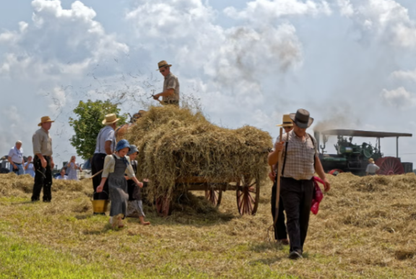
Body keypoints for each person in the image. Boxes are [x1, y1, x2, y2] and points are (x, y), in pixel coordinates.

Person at [269, 109, 330, 260]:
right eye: (299, 125)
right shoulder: (284, 139)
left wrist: (324, 178)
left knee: (304, 218)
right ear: (294, 123)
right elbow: (270, 161)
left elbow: (316, 161)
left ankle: (299, 247)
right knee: (293, 216)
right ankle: (295, 249)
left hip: (308, 183)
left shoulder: (311, 140)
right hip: (289, 183)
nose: (301, 128)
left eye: (304, 126)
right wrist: (277, 151)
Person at [96, 140, 145, 229]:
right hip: (113, 182)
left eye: (126, 152)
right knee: (120, 197)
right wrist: (101, 185)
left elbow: (131, 172)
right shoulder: (110, 158)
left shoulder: (126, 159)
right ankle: (117, 220)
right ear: (118, 149)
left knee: (123, 200)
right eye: (123, 152)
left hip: (122, 182)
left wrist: (137, 182)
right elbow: (105, 172)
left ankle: (115, 220)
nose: (124, 154)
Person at [268, 114, 293, 245]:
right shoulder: (280, 138)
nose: (287, 130)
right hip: (280, 177)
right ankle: (281, 237)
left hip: (294, 178)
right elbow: (273, 157)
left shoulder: (301, 140)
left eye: (289, 127)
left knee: (292, 210)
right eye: (285, 127)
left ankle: (294, 236)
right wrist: (272, 170)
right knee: (276, 207)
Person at [91, 113, 120, 205]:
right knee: (104, 183)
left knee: (97, 184)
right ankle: (101, 208)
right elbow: (107, 146)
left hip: (95, 157)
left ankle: (97, 208)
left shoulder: (101, 131)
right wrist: (112, 157)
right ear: (114, 123)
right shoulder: (111, 132)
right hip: (103, 157)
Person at [31, 116, 55, 202]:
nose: (50, 124)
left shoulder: (48, 134)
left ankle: (47, 198)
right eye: (48, 123)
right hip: (40, 157)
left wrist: (51, 160)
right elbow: (37, 149)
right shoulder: (38, 134)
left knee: (48, 179)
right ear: (43, 124)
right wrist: (42, 159)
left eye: (50, 123)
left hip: (47, 157)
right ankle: (35, 198)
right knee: (39, 179)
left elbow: (48, 149)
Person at [126, 145, 150, 225]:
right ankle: (122, 215)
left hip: (134, 184)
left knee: (139, 202)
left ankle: (142, 221)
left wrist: (142, 180)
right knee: (132, 205)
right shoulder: (124, 162)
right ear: (128, 153)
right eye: (133, 154)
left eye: (136, 154)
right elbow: (122, 176)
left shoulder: (135, 163)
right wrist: (129, 177)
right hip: (126, 186)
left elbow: (136, 174)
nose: (134, 156)